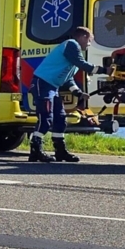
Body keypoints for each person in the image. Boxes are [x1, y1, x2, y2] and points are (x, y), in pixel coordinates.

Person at [28, 26, 107, 163]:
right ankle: (35, 150)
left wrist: (78, 93)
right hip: (43, 84)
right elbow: (83, 64)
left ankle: (60, 151)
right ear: (83, 37)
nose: (89, 44)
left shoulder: (73, 55)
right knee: (46, 117)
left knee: (60, 118)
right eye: (89, 40)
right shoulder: (72, 44)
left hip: (52, 87)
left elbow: (68, 79)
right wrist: (105, 70)